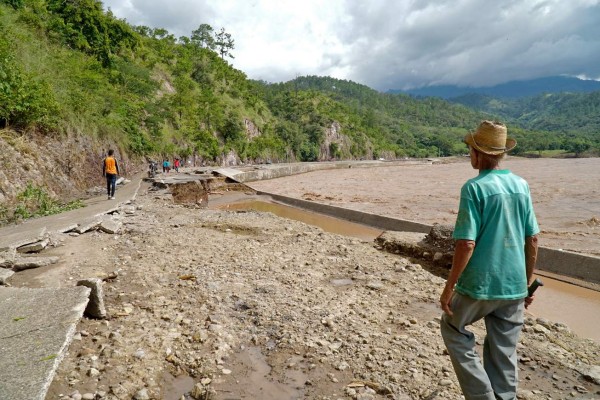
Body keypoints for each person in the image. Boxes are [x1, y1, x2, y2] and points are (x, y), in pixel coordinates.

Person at [439, 121, 539, 400]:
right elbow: (532, 239)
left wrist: (449, 288)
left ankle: (481, 395)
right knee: (504, 349)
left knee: (452, 326)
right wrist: (526, 285)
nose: (469, 154)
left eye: (470, 149)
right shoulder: (521, 185)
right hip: (513, 285)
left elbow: (467, 243)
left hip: (479, 285)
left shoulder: (473, 188)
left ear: (478, 153)